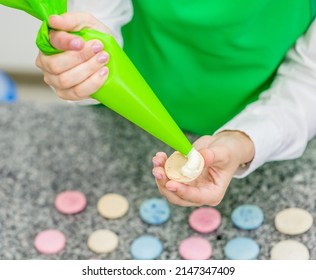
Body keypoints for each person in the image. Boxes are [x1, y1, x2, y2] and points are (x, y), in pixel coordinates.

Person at [35, 0, 316, 207]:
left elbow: (309, 81)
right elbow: (94, 20)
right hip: (128, 117)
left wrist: (244, 140)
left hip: (267, 121)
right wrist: (83, 67)